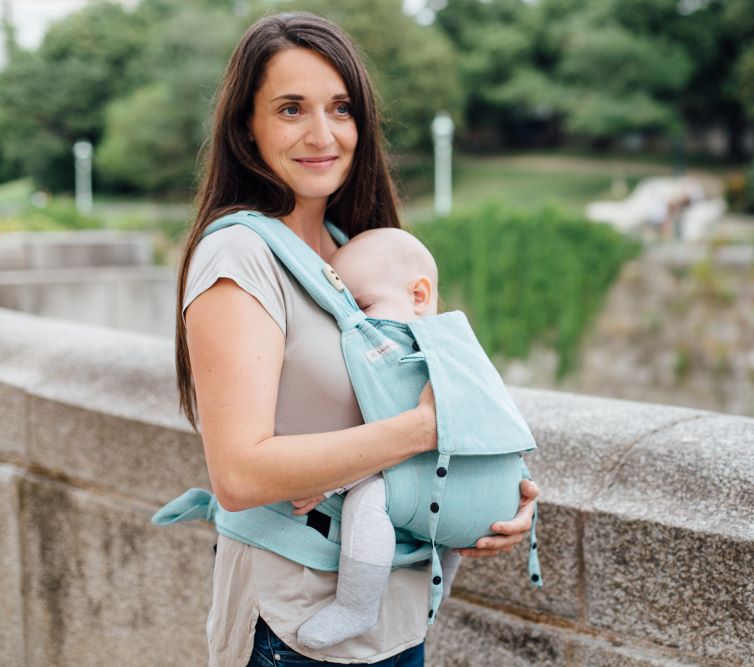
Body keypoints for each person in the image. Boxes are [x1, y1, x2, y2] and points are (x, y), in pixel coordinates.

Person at [175, 13, 539, 667]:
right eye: (291, 109)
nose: (323, 134)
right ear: (246, 128)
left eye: (340, 108)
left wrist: (480, 486)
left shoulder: (359, 258)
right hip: (295, 621)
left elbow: (422, 389)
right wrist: (431, 429)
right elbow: (238, 473)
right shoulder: (240, 255)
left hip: (396, 621)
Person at [296, 227, 463, 649]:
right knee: (446, 539)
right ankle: (437, 591)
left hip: (449, 476)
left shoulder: (415, 356)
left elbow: (388, 441)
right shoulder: (457, 344)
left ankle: (356, 607)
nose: (354, 322)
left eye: (364, 306)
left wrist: (330, 480)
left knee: (369, 496)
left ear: (419, 296)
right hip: (456, 485)